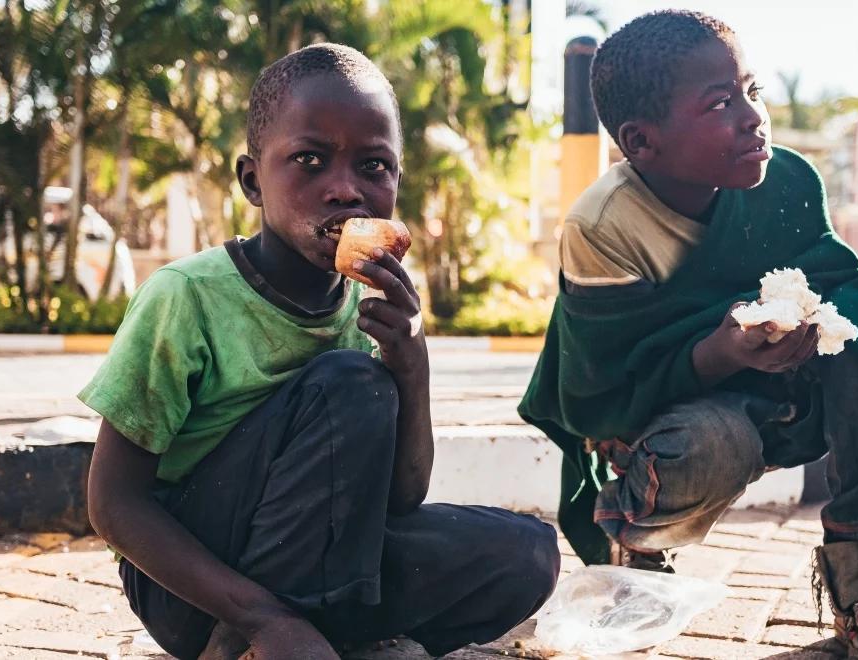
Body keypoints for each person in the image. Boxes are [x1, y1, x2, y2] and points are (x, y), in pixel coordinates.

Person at [82, 43, 559, 660]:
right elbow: (112, 502)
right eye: (309, 160)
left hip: (333, 559)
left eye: (375, 166)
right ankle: (259, 635)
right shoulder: (187, 297)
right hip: (194, 588)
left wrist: (411, 366)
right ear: (253, 180)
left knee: (526, 554)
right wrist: (262, 617)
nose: (345, 190)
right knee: (349, 385)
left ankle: (314, 636)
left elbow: (399, 501)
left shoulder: (373, 310)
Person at [518, 11, 858, 660]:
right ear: (642, 142)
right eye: (721, 103)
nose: (753, 117)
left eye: (753, 91)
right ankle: (630, 533)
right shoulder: (604, 226)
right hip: (664, 421)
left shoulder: (788, 180)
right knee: (709, 446)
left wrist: (823, 323)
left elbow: (839, 280)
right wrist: (718, 352)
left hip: (784, 388)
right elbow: (602, 389)